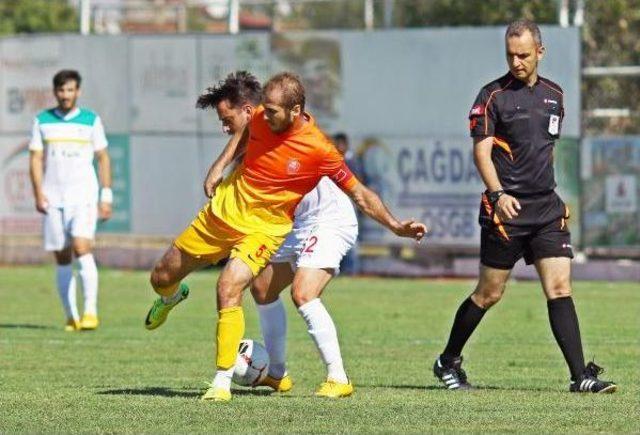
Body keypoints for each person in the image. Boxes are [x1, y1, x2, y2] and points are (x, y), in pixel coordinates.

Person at [143, 71, 427, 402]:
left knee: (259, 289)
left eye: (273, 110)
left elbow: (360, 194)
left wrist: (395, 226)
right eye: (263, 108)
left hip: (307, 223)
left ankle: (316, 378)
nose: (265, 114)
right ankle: (275, 373)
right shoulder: (263, 117)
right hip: (236, 215)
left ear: (295, 110)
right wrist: (219, 167)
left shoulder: (319, 149)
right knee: (196, 282)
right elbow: (247, 132)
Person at [432, 20, 616, 394]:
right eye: (510, 55)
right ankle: (447, 360)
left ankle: (580, 375)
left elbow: (545, 152)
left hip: (547, 210)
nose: (516, 62)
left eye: (524, 55)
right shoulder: (492, 96)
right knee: (489, 293)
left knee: (560, 287)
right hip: (506, 212)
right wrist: (498, 195)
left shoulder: (555, 96)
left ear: (540, 53)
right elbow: (481, 151)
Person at [28, 69, 113, 332]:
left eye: (70, 90)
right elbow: (35, 158)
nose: (66, 95)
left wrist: (105, 195)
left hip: (83, 197)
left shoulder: (90, 120)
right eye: (61, 90)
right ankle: (71, 315)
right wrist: (38, 192)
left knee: (82, 247)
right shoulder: (42, 120)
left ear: (78, 91)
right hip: (54, 199)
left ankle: (90, 312)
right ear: (55, 92)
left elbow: (103, 158)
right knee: (63, 257)